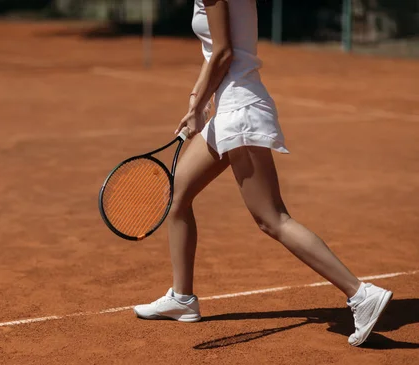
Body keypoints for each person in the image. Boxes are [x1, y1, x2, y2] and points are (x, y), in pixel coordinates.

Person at [133, 0, 392, 347]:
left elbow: (223, 52)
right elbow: (218, 53)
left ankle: (360, 293)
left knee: (272, 218)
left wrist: (195, 105)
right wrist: (201, 99)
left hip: (240, 110)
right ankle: (183, 299)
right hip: (229, 105)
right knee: (178, 191)